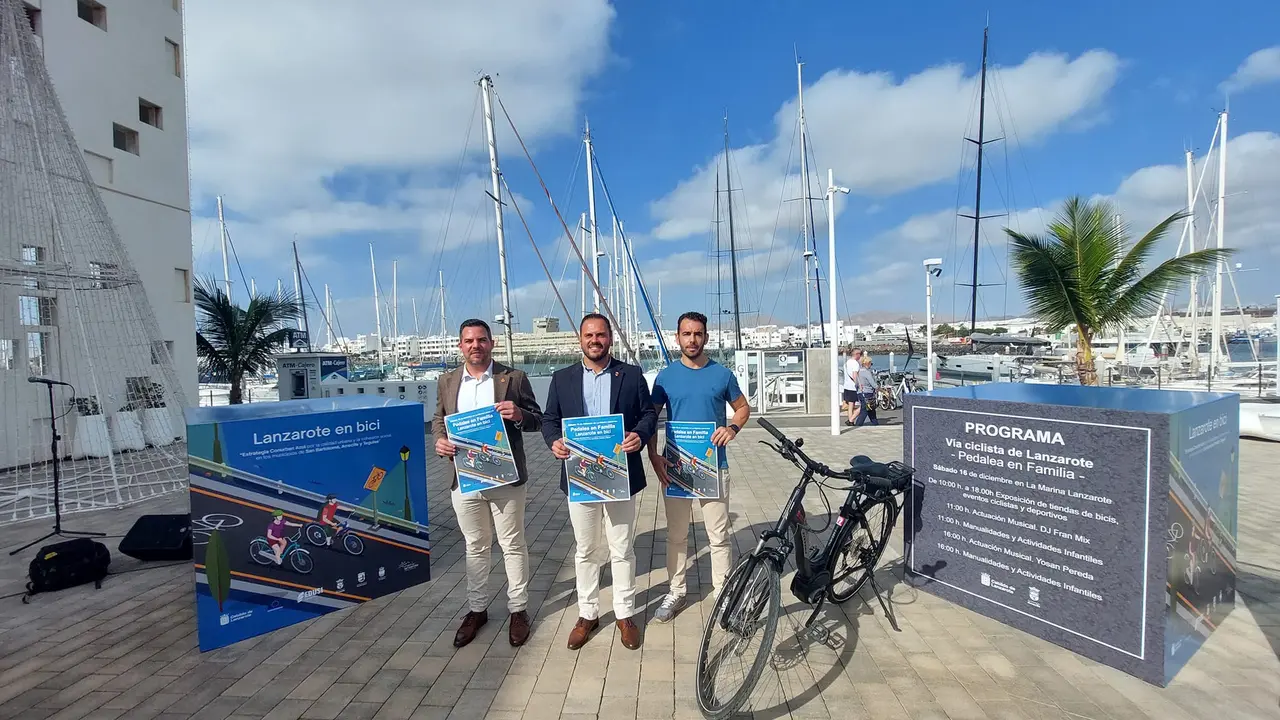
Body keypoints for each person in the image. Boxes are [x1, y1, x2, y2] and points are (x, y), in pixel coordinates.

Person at [542, 313, 657, 650]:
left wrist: (639, 433)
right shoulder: (562, 378)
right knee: (586, 550)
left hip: (620, 476)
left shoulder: (632, 375)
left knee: (622, 548)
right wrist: (553, 442)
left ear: (610, 338)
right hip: (579, 477)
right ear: (580, 339)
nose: (595, 340)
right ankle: (588, 613)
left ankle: (624, 613)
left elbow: (649, 413)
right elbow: (550, 419)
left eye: (601, 335)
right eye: (589, 335)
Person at [431, 318, 544, 648]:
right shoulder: (448, 380)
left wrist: (519, 415)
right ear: (460, 345)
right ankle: (477, 609)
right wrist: (439, 441)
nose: (475, 345)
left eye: (481, 339)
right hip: (464, 480)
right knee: (475, 546)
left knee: (512, 543)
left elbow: (537, 418)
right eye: (468, 341)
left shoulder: (513, 378)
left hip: (506, 479)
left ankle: (518, 609)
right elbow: (439, 419)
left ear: (491, 343)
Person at [648, 311, 750, 622]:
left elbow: (742, 408)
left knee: (718, 535)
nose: (692, 339)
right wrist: (654, 457)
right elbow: (650, 419)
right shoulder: (665, 378)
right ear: (677, 337)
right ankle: (677, 591)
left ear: (705, 337)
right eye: (686, 334)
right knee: (676, 536)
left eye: (697, 334)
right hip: (675, 467)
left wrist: (731, 429)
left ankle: (723, 592)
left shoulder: (722, 375)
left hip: (713, 467)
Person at [854, 355, 880, 427]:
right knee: (865, 410)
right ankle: (858, 425)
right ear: (867, 363)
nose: (871, 365)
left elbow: (856, 383)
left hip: (860, 392)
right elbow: (873, 384)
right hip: (867, 393)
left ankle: (875, 423)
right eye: (871, 363)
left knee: (871, 410)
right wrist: (879, 388)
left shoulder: (859, 372)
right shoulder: (867, 372)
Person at [842, 348, 863, 426]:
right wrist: (859, 385)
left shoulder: (847, 362)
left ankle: (851, 421)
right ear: (857, 355)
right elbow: (855, 376)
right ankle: (851, 420)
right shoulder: (855, 363)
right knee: (863, 404)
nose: (861, 356)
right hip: (853, 387)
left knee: (850, 405)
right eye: (860, 354)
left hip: (847, 386)